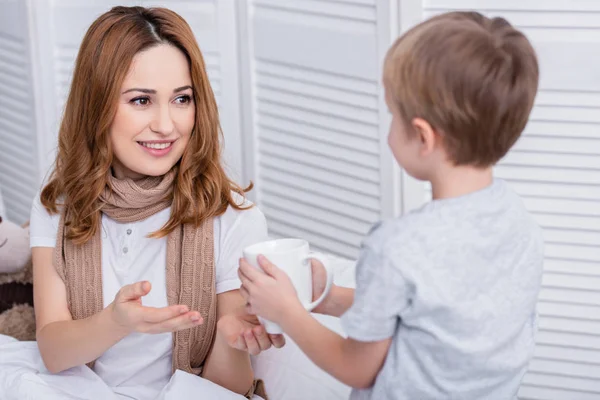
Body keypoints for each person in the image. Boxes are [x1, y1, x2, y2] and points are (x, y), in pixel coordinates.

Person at [239, 11, 544, 400]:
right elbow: (437, 315)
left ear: (422, 136)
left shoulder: (397, 246)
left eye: (393, 114)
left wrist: (287, 313)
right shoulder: (518, 221)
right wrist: (329, 299)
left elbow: (356, 368)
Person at [0, 6, 281, 400]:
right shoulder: (59, 206)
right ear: (96, 105)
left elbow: (223, 391)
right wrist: (117, 321)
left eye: (182, 99)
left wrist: (231, 340)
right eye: (141, 101)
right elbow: (53, 351)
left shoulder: (233, 217)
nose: (167, 125)